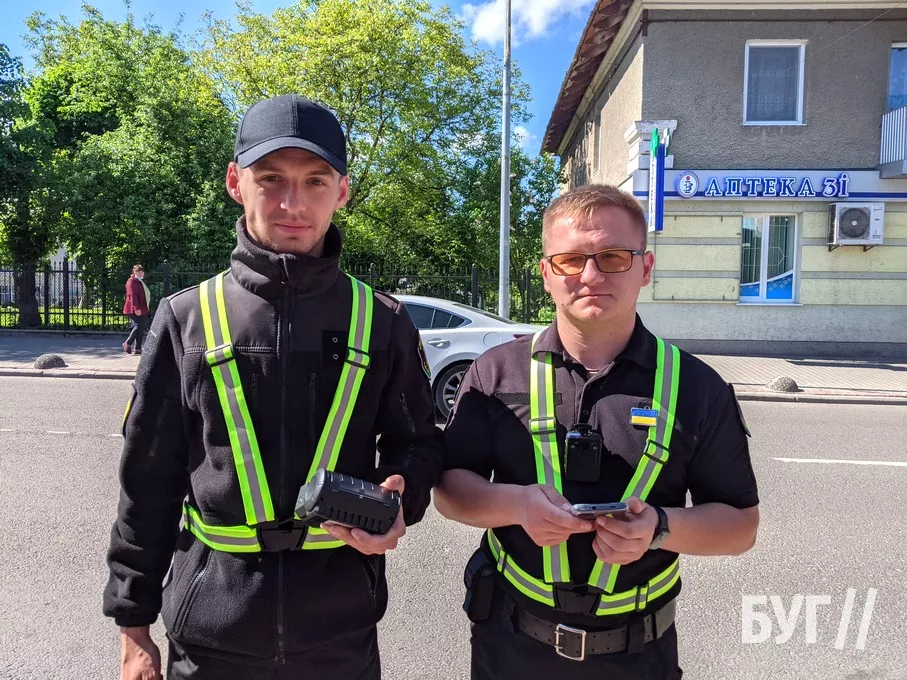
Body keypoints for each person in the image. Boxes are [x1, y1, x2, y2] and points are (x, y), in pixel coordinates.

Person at [103, 94, 445, 680]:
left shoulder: (382, 321)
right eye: (271, 179)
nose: (293, 204)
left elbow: (419, 442)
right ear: (236, 183)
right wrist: (133, 626)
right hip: (210, 640)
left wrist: (402, 496)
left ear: (342, 191)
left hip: (340, 637)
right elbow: (147, 479)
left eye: (315, 181)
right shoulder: (186, 318)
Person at [434, 184, 760, 679]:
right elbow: (449, 492)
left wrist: (659, 528)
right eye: (570, 260)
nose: (590, 275)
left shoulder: (697, 388)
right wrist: (516, 505)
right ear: (547, 273)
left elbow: (740, 528)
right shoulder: (495, 372)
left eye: (612, 257)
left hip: (638, 656)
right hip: (509, 647)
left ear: (645, 268)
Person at [122, 264, 151, 355]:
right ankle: (127, 343)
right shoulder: (131, 282)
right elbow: (132, 296)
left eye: (142, 271)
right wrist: (136, 308)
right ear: (135, 272)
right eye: (139, 271)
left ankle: (138, 349)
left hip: (142, 308)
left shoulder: (139, 282)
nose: (142, 273)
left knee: (141, 327)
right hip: (133, 308)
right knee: (138, 326)